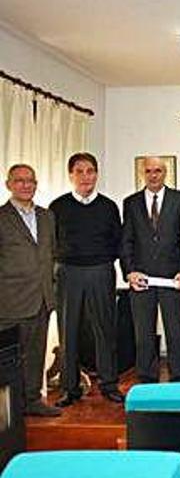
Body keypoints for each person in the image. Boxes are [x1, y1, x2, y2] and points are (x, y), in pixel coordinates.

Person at [50, 152, 124, 406]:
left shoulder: (108, 206)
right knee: (68, 330)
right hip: (68, 273)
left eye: (90, 171)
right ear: (71, 175)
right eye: (79, 171)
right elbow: (51, 244)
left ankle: (109, 384)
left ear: (96, 174)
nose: (85, 176)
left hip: (101, 271)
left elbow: (118, 242)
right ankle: (70, 388)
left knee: (105, 329)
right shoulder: (57, 206)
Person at [121, 156, 180, 384]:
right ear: (144, 173)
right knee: (143, 334)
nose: (153, 175)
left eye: (158, 171)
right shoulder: (130, 202)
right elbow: (126, 241)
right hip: (141, 280)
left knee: (176, 332)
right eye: (149, 171)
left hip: (173, 278)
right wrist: (129, 271)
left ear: (165, 173)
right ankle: (146, 379)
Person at [0, 164, 61, 416]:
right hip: (10, 300)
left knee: (36, 353)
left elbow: (53, 254)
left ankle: (33, 400)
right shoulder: (1, 218)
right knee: (9, 359)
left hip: (42, 299)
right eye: (20, 180)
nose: (26, 185)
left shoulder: (47, 216)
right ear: (8, 185)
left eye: (30, 181)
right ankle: (8, 410)